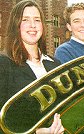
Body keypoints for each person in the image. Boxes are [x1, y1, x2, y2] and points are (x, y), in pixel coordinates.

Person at [0, 0, 64, 133]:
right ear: (15, 24)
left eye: (37, 20)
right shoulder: (4, 64)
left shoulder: (55, 64)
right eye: (25, 20)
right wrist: (38, 131)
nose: (32, 25)